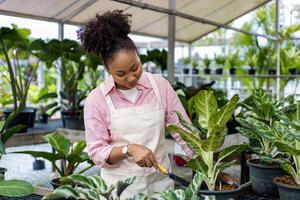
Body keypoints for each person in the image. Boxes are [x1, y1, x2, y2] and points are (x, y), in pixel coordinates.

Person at [79, 10, 193, 198]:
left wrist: (209, 166)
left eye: (135, 68)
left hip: (160, 183)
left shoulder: (160, 86)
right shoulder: (97, 100)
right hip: (121, 188)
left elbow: (184, 131)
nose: (131, 78)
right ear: (108, 69)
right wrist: (128, 149)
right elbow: (97, 152)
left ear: (138, 56)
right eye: (121, 74)